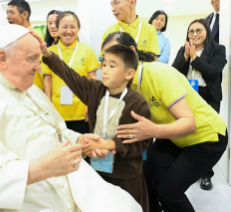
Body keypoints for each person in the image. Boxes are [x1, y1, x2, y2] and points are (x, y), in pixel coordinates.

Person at [0, 25, 143, 212]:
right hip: (25, 198)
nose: (38, 66)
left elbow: (55, 130)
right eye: (32, 59)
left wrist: (78, 141)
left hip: (72, 181)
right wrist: (38, 169)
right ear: (3, 58)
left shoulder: (26, 86)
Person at [95, 31, 227, 212]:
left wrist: (152, 131)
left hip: (207, 137)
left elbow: (189, 123)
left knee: (169, 192)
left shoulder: (159, 75)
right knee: (146, 179)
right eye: (105, 59)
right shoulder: (122, 85)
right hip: (172, 134)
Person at [41, 39, 152, 211]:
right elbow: (70, 75)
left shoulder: (138, 103)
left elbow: (142, 142)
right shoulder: (95, 90)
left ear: (129, 74)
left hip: (126, 175)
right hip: (98, 172)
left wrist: (110, 144)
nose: (104, 69)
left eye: (112, 66)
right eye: (104, 63)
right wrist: (48, 55)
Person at [172, 19, 227, 191]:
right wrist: (186, 57)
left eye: (198, 30)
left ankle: (206, 174)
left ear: (207, 32)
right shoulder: (184, 49)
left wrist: (195, 58)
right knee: (188, 132)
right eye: (191, 31)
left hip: (209, 98)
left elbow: (213, 72)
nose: (194, 34)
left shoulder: (218, 49)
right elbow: (174, 72)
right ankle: (188, 168)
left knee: (208, 136)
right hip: (188, 97)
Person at [42, 11, 99, 134]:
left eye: (73, 27)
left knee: (84, 150)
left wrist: (91, 105)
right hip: (57, 113)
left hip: (82, 113)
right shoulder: (49, 52)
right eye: (64, 27)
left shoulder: (87, 51)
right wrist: (48, 106)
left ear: (78, 29)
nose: (69, 31)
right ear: (57, 29)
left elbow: (92, 80)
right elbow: (48, 79)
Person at [7, 0, 44, 91]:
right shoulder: (13, 36)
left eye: (11, 13)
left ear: (24, 15)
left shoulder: (34, 36)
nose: (8, 17)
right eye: (7, 13)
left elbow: (37, 65)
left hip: (32, 89)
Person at [43, 10, 63, 99]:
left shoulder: (69, 47)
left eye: (56, 23)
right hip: (46, 94)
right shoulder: (44, 47)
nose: (53, 26)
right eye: (50, 23)